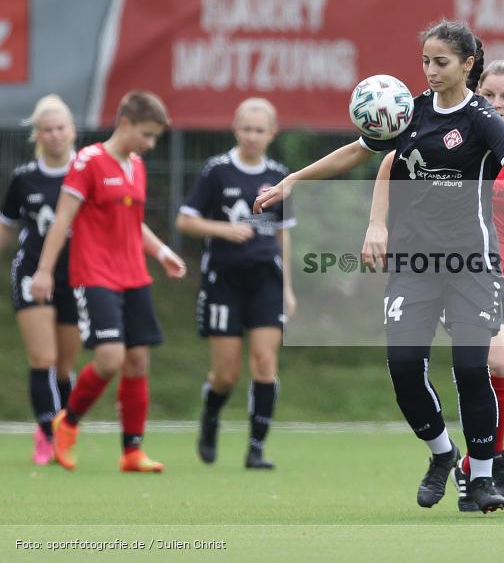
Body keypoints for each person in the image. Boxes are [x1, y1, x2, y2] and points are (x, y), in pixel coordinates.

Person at [255, 19, 504, 513]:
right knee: (406, 367)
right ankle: (441, 454)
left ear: (467, 65)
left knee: (473, 369)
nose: (430, 71)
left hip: (472, 262)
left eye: (441, 62)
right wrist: (294, 180)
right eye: (425, 62)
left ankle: (480, 477)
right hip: (414, 264)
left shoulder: (480, 117)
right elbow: (361, 151)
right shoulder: (409, 111)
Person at [363, 59, 504, 511]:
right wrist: (379, 223)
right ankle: (482, 466)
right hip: (465, 269)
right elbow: (392, 162)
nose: (497, 103)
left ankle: (487, 463)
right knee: (491, 360)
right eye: (490, 95)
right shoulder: (464, 134)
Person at [30, 90, 187, 473]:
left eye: (155, 137)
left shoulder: (136, 165)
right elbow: (62, 219)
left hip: (134, 272)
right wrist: (45, 270)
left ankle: (132, 451)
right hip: (95, 274)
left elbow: (133, 224)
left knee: (138, 360)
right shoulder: (88, 162)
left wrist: (163, 253)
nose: (150, 144)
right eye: (147, 135)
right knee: (110, 358)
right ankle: (66, 424)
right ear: (126, 123)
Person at [176, 97, 296, 470]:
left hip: (266, 282)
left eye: (259, 130)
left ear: (271, 133)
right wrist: (225, 230)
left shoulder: (279, 174)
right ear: (235, 128)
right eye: (246, 129)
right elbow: (186, 221)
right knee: (226, 373)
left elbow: (283, 235)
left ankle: (256, 449)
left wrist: (290, 288)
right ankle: (211, 417)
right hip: (224, 282)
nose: (252, 136)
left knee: (264, 363)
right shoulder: (216, 171)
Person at [0, 95, 80, 465]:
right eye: (47, 129)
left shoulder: (85, 172)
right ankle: (47, 433)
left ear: (72, 130)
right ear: (38, 134)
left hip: (77, 275)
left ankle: (63, 427)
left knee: (64, 366)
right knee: (42, 357)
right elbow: (7, 229)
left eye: (60, 128)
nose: (54, 135)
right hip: (32, 272)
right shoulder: (24, 178)